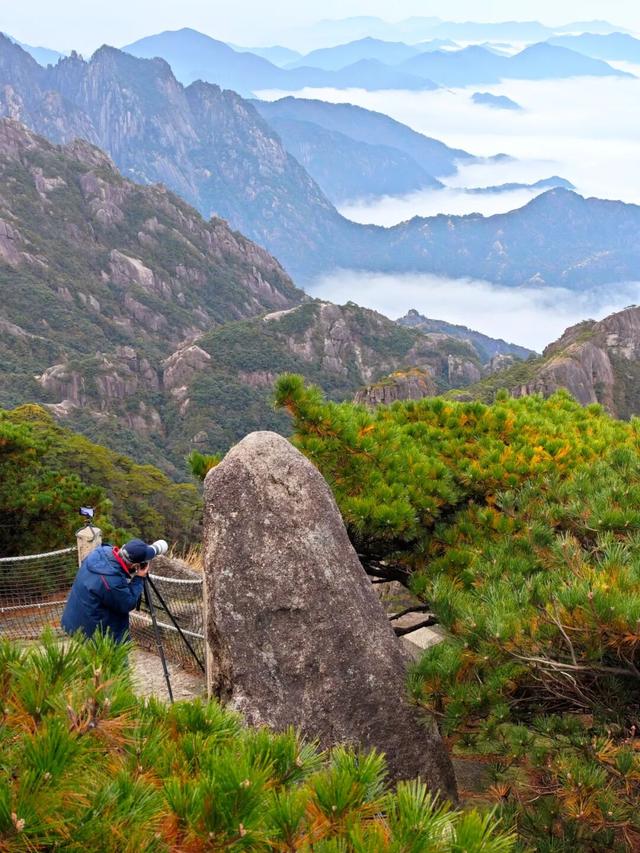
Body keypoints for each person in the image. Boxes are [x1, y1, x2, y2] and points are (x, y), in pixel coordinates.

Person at [61, 538, 167, 643]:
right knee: (115, 659)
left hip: (76, 620)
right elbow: (128, 603)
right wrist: (139, 578)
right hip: (95, 634)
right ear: (135, 565)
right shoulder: (112, 581)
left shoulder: (102, 552)